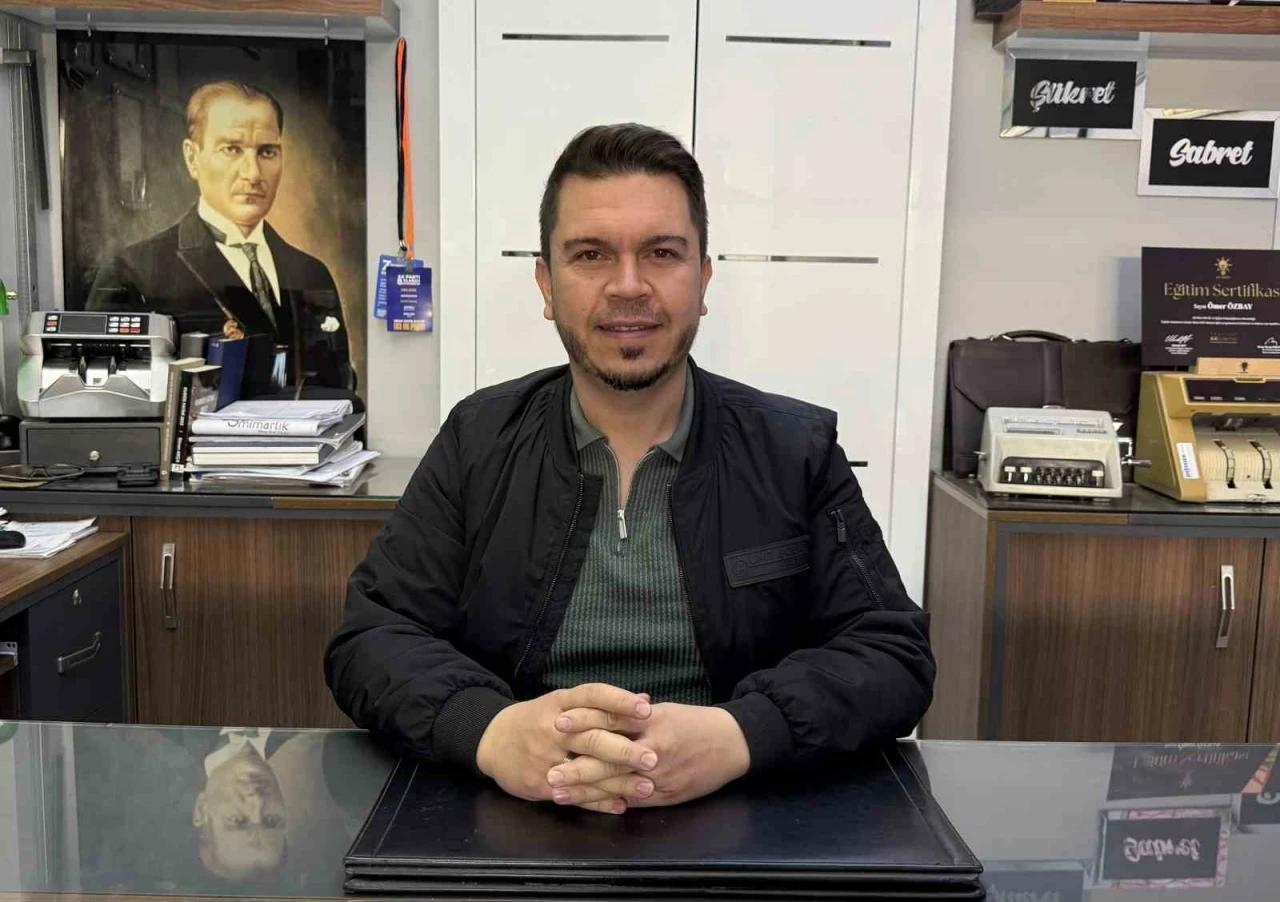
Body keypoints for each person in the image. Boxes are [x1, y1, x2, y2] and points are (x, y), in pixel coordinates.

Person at [326, 123, 934, 816]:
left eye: (662, 253)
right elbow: (372, 637)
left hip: (743, 817)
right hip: (513, 816)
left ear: (703, 279)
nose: (628, 286)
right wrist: (490, 731)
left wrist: (742, 734)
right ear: (546, 284)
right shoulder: (479, 440)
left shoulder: (794, 450)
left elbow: (891, 654)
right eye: (590, 255)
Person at [86, 80, 353, 390]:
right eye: (231, 149)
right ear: (192, 158)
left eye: (267, 152)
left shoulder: (312, 273)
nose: (253, 173)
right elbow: (111, 395)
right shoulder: (133, 273)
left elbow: (340, 386)